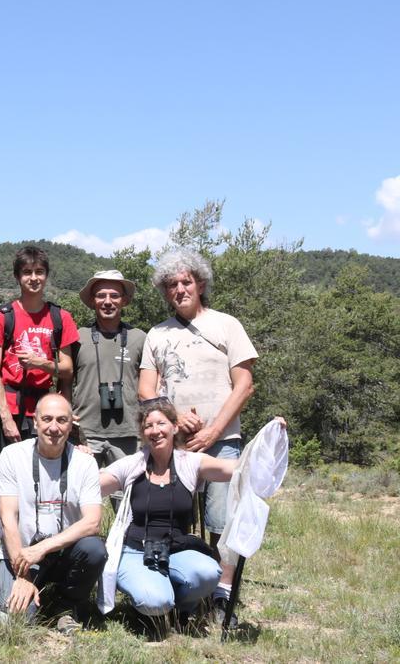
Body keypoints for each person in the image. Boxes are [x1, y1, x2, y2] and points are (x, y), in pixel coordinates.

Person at [137, 248, 257, 624]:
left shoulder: (227, 325)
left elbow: (245, 384)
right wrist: (174, 419)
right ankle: (187, 594)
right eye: (171, 284)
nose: (179, 289)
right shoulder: (157, 334)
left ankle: (222, 597)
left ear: (200, 284)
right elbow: (146, 390)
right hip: (174, 445)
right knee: (179, 519)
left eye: (186, 282)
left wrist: (214, 429)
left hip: (222, 441)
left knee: (222, 520)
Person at [98, 399, 237, 624]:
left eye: (161, 423)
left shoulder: (190, 463)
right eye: (148, 426)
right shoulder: (132, 465)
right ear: (143, 433)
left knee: (209, 573)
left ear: (174, 426)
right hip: (135, 551)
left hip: (177, 550)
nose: (155, 431)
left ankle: (179, 608)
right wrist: (76, 458)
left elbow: (235, 469)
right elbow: (92, 486)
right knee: (154, 601)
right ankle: (155, 603)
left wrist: (269, 441)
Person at [0, 393, 106, 631]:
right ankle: (34, 591)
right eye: (47, 419)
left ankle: (65, 604)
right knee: (20, 621)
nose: (54, 427)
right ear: (35, 422)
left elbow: (93, 522)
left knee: (94, 549)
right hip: (20, 553)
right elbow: (7, 520)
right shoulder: (12, 456)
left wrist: (43, 547)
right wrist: (22, 575)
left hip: (61, 553)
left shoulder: (85, 462)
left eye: (62, 420)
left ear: (70, 424)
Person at [0, 245, 79, 446]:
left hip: (45, 411)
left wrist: (40, 363)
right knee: (8, 473)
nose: (34, 278)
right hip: (9, 408)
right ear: (17, 276)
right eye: (27, 272)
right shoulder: (2, 317)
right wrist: (5, 416)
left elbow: (67, 370)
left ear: (47, 275)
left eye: (39, 272)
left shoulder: (61, 318)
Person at [70, 271, 146, 488]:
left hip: (128, 433)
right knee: (79, 499)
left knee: (128, 502)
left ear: (124, 300)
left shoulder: (139, 338)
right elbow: (65, 381)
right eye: (101, 295)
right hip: (85, 433)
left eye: (114, 295)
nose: (107, 301)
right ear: (93, 301)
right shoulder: (78, 337)